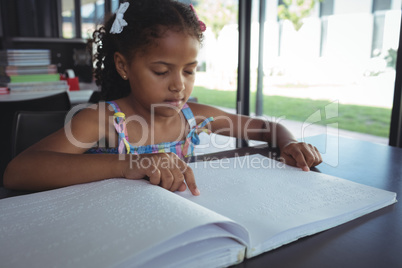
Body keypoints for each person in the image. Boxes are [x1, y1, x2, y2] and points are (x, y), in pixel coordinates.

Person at [4, 0, 322, 195]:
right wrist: (127, 164)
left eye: (189, 71)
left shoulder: (193, 117)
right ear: (123, 66)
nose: (178, 86)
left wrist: (289, 142)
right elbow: (18, 172)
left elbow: (264, 129)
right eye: (161, 71)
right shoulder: (103, 121)